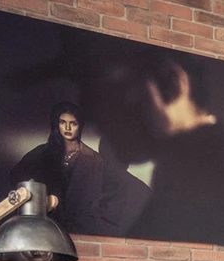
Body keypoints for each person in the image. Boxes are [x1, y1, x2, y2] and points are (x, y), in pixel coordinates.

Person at [121, 56, 224, 249]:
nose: (134, 107)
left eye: (142, 95)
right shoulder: (215, 154)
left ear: (176, 80)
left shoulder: (190, 165)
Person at [9, 102, 151, 238]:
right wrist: (36, 197)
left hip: (75, 231)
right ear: (56, 124)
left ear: (80, 126)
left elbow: (107, 195)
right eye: (63, 122)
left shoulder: (93, 160)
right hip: (42, 225)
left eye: (73, 123)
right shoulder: (42, 152)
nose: (68, 128)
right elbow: (17, 176)